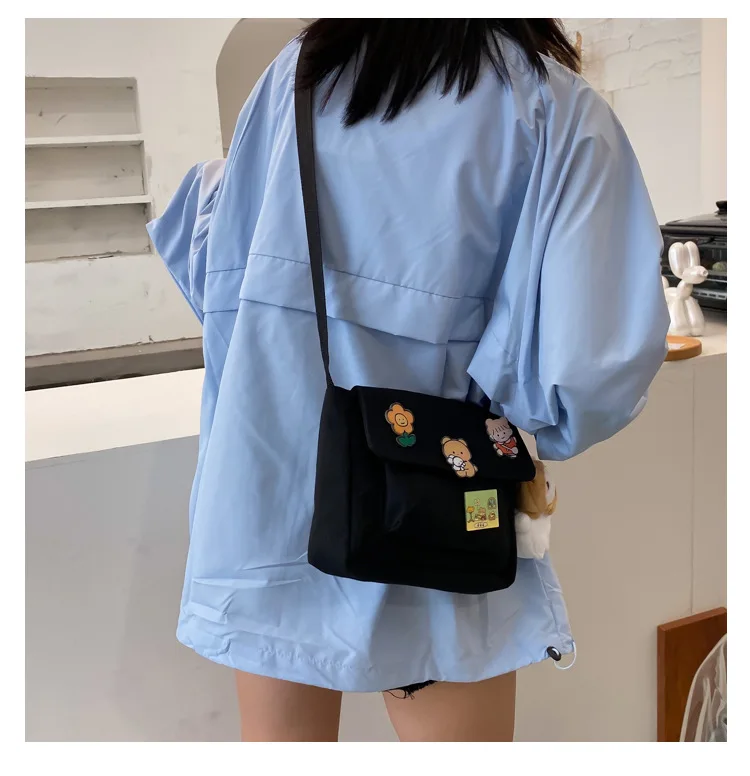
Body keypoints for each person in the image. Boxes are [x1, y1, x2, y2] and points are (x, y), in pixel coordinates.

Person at [148, 19, 669, 742]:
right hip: (432, 507)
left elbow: (220, 281)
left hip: (266, 503)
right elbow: (581, 377)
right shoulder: (549, 106)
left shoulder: (297, 75)